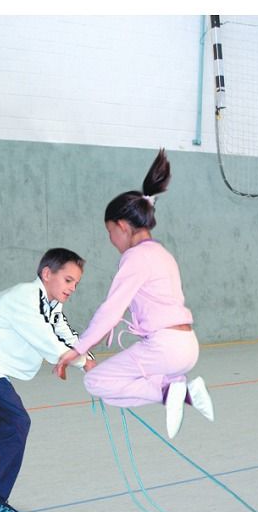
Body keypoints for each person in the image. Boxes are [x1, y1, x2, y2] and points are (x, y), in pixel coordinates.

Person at [55, 149, 213, 439]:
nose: (110, 240)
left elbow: (111, 311)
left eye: (110, 232)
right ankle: (180, 391)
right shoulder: (162, 253)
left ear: (123, 226)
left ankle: (177, 390)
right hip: (186, 346)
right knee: (116, 392)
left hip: (165, 347)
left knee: (98, 381)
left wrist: (77, 350)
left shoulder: (136, 257)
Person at [0, 248, 96, 512]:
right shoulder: (24, 298)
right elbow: (49, 343)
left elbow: (61, 330)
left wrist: (86, 357)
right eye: (68, 280)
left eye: (76, 283)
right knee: (15, 423)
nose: (72, 288)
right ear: (47, 274)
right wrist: (84, 365)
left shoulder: (50, 304)